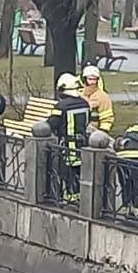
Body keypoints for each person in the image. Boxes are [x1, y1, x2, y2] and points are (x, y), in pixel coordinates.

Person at [45, 73, 91, 204]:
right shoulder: (84, 103)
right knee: (80, 173)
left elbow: (51, 124)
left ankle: (68, 199)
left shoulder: (61, 106)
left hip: (67, 147)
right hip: (83, 145)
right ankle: (81, 199)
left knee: (67, 175)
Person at [80, 64, 115, 133]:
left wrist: (103, 132)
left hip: (95, 131)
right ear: (84, 79)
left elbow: (107, 117)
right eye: (90, 79)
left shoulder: (103, 96)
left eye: (94, 79)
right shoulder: (80, 94)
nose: (92, 82)